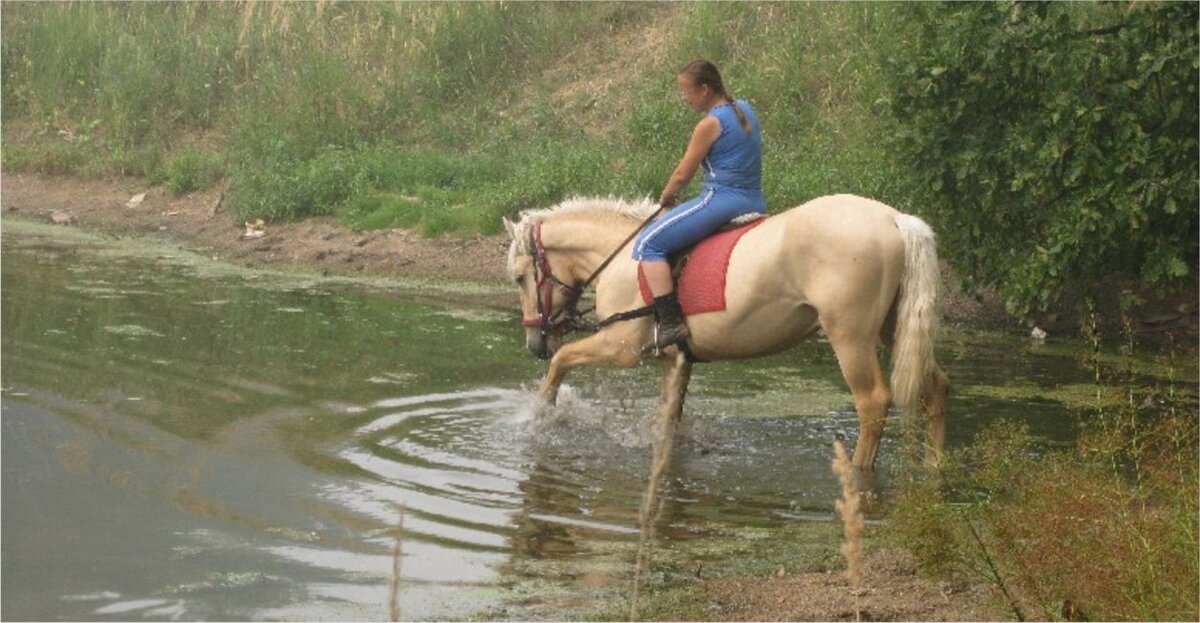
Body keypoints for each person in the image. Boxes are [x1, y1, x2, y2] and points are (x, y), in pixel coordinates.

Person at [632, 59, 766, 354]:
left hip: (722, 199)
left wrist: (666, 196)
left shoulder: (709, 124)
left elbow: (683, 173)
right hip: (754, 198)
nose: (683, 97)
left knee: (649, 243)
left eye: (686, 91)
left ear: (704, 90)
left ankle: (669, 322)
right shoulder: (744, 108)